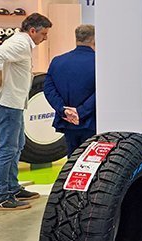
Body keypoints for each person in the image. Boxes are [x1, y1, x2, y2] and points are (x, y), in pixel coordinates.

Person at [0, 13, 52, 211]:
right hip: (7, 105)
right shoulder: (21, 43)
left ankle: (12, 188)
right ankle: (2, 197)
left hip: (13, 104)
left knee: (16, 147)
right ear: (32, 31)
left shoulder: (21, 42)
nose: (45, 38)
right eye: (43, 34)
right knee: (7, 149)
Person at [44, 24, 96, 158]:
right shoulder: (100, 62)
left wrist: (64, 110)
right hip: (92, 121)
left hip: (68, 122)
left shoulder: (57, 61)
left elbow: (49, 89)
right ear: (94, 39)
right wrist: (81, 111)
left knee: (72, 160)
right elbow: (101, 91)